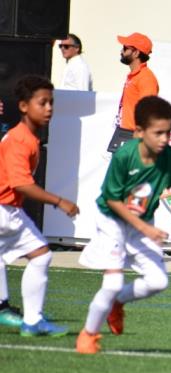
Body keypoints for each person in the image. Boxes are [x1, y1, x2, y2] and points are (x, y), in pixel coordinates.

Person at [75, 96, 171, 354]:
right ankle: (88, 335)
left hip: (141, 223)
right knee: (112, 283)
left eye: (168, 132)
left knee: (158, 281)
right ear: (139, 131)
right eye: (158, 133)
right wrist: (146, 229)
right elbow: (112, 199)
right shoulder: (125, 155)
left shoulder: (170, 155)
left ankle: (118, 303)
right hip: (112, 221)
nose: (164, 139)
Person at [0, 75, 80, 337]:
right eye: (42, 103)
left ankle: (18, 314)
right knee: (41, 255)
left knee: (40, 255)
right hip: (4, 211)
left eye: (51, 103)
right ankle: (29, 320)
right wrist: (59, 201)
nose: (49, 109)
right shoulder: (19, 140)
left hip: (9, 210)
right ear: (24, 106)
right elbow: (21, 184)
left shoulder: (27, 137)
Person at [107, 32, 158, 153]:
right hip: (125, 135)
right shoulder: (134, 76)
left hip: (134, 139)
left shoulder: (146, 78)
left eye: (125, 48)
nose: (121, 51)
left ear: (136, 53)